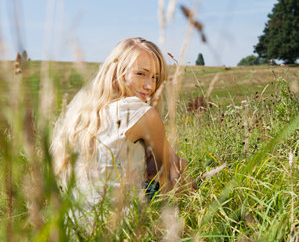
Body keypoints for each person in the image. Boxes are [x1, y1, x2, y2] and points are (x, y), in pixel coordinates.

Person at [51, 37, 193, 210]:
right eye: (141, 74)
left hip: (74, 227)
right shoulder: (141, 113)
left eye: (155, 77)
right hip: (119, 230)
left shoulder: (84, 112)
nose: (150, 86)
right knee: (177, 165)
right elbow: (173, 174)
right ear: (118, 71)